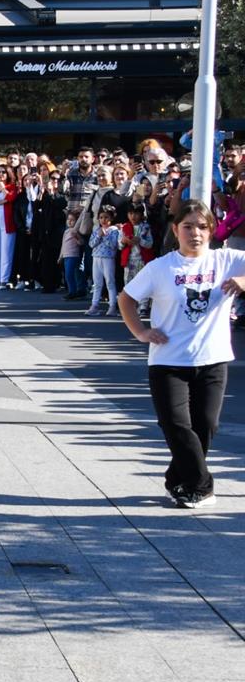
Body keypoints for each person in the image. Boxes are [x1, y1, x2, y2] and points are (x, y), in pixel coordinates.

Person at [119, 202, 245, 509]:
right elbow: (127, 299)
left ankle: (178, 480)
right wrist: (141, 333)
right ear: (175, 230)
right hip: (168, 361)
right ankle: (201, 486)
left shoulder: (227, 259)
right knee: (176, 425)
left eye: (202, 226)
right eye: (188, 226)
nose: (195, 233)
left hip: (212, 360)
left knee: (205, 426)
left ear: (212, 230)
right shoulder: (161, 267)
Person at [87, 205, 123, 317]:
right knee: (97, 283)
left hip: (108, 258)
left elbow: (113, 245)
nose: (103, 220)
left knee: (110, 282)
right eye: (101, 217)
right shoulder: (96, 230)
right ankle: (94, 305)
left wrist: (105, 236)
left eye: (106, 217)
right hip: (96, 257)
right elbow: (91, 244)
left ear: (111, 219)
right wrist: (99, 236)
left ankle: (112, 305)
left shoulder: (114, 231)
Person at [121, 203, 155, 318]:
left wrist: (139, 241)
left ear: (141, 214)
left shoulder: (145, 227)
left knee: (143, 282)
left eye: (136, 213)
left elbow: (150, 244)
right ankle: (131, 306)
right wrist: (124, 241)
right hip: (129, 260)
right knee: (129, 283)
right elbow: (119, 245)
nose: (133, 216)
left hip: (142, 259)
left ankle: (143, 306)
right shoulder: (125, 227)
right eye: (130, 213)